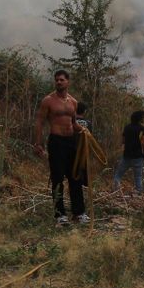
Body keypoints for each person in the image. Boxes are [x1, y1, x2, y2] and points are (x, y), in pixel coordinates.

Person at [34, 69, 88, 225]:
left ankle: (79, 213)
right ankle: (60, 215)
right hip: (56, 142)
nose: (59, 82)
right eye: (57, 79)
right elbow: (39, 122)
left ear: (68, 82)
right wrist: (38, 143)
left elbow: (73, 123)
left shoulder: (73, 102)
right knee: (57, 179)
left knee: (75, 178)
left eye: (62, 80)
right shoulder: (48, 100)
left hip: (71, 142)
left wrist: (84, 131)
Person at [113, 110, 144, 195]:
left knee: (118, 175)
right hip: (138, 157)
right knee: (138, 177)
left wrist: (124, 148)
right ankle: (139, 194)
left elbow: (123, 141)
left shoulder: (127, 127)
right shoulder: (142, 129)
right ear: (140, 119)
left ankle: (116, 191)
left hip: (126, 156)